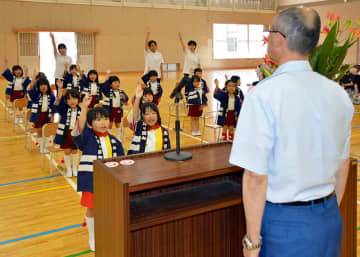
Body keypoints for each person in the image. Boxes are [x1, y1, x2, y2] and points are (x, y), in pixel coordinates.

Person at [229, 7, 353, 257]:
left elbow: (255, 177)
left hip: (284, 225)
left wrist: (252, 242)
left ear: (279, 39)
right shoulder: (338, 94)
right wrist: (324, 212)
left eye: (270, 31)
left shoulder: (264, 95)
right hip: (329, 217)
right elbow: (343, 162)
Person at [72, 94, 125, 251]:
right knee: (92, 209)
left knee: (109, 208)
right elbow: (80, 128)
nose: (103, 122)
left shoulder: (115, 141)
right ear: (90, 124)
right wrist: (83, 108)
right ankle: (93, 238)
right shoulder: (87, 138)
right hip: (91, 181)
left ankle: (106, 233)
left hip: (111, 181)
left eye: (105, 119)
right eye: (98, 119)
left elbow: (122, 163)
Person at [54, 80, 81, 178]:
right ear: (66, 101)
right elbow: (57, 105)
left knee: (75, 151)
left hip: (76, 134)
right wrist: (60, 89)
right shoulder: (64, 108)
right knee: (67, 151)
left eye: (74, 98)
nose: (72, 101)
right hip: (65, 133)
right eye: (69, 99)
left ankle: (74, 168)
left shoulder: (80, 110)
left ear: (78, 100)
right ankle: (68, 168)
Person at [28, 78, 56, 153]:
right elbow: (30, 91)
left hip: (47, 115)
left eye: (45, 85)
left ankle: (46, 146)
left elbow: (53, 107)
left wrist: (52, 116)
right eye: (41, 85)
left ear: (48, 86)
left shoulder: (51, 96)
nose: (43, 87)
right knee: (40, 131)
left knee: (47, 132)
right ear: (38, 87)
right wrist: (33, 81)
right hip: (38, 116)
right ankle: (42, 148)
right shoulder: (36, 95)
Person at [2, 57, 30, 123]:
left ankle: (20, 118)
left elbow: (26, 79)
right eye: (16, 70)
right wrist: (6, 63)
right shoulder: (12, 77)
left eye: (19, 70)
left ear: (21, 71)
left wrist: (26, 71)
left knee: (20, 106)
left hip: (21, 93)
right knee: (14, 106)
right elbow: (6, 71)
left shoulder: (23, 78)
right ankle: (15, 118)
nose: (18, 71)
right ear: (14, 72)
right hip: (13, 93)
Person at [102, 76, 129, 140]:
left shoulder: (121, 92)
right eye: (115, 83)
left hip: (118, 110)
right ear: (110, 85)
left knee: (118, 123)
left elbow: (126, 99)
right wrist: (107, 77)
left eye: (118, 82)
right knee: (110, 123)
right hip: (109, 110)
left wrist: (124, 97)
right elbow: (103, 86)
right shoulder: (108, 92)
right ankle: (109, 136)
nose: (117, 84)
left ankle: (118, 137)